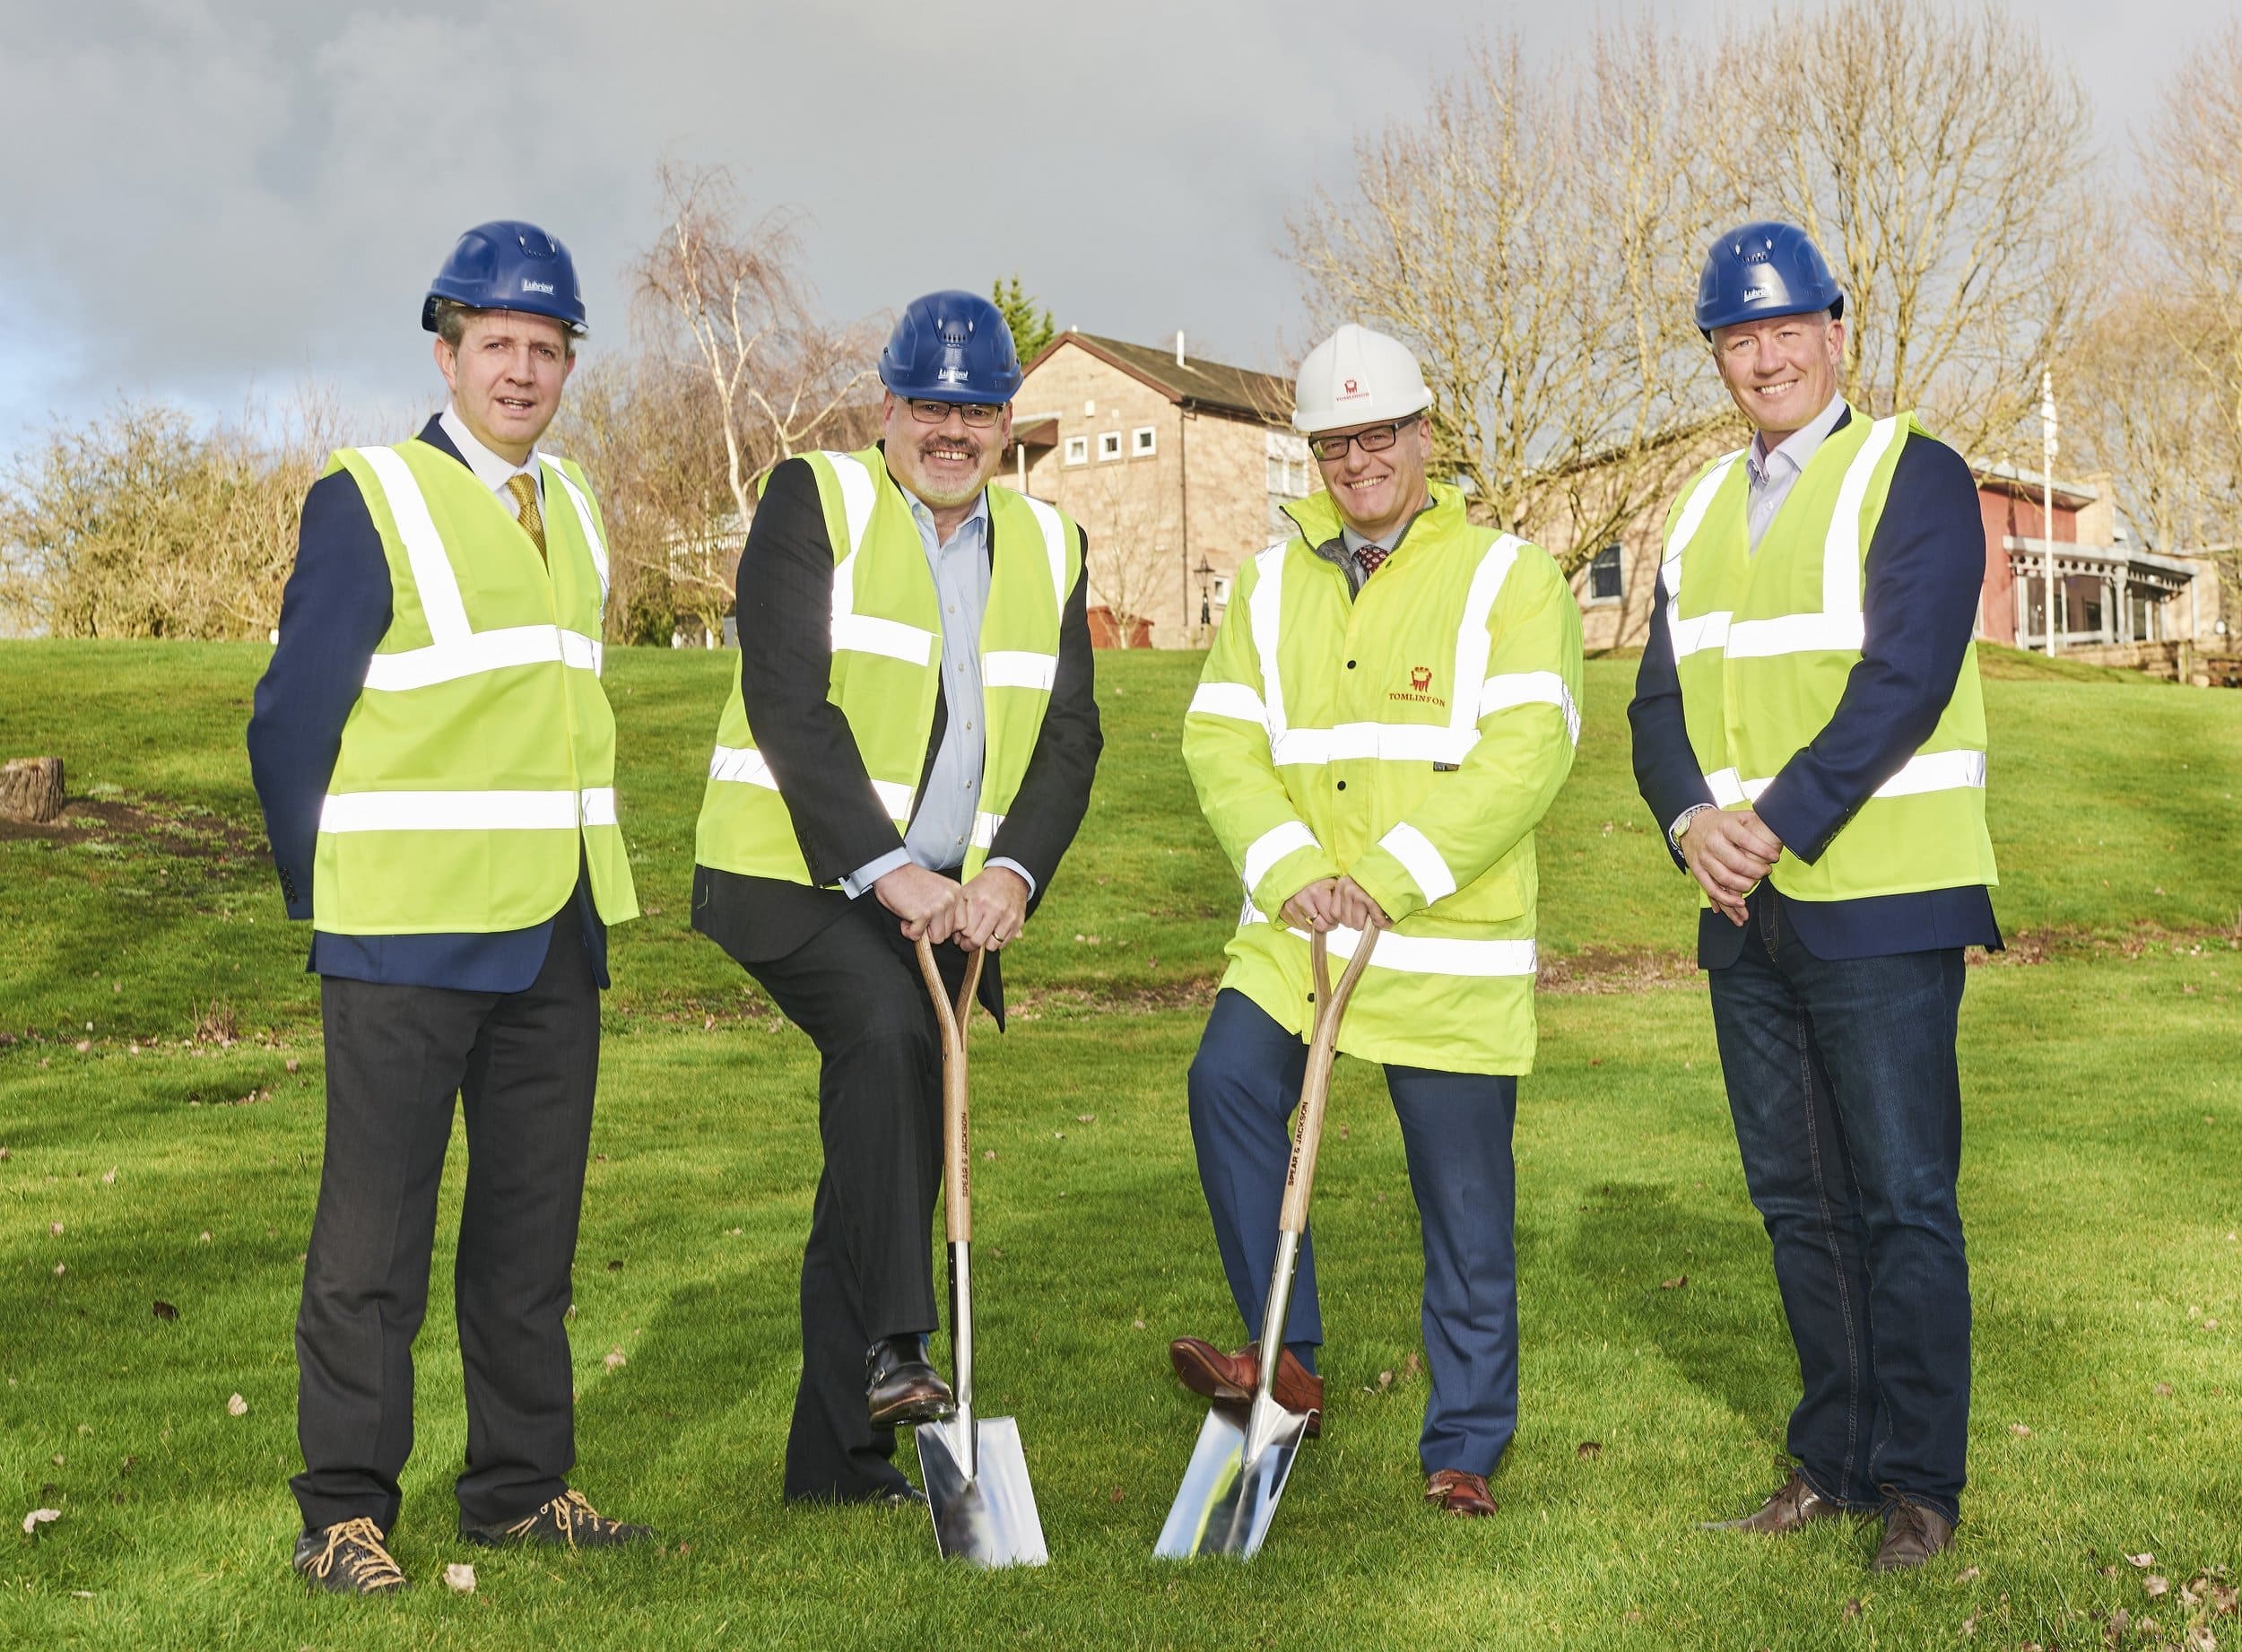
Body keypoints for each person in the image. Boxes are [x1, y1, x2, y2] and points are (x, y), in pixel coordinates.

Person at [248, 222, 648, 1594]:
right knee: (373, 1242)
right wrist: (331, 888)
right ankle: (342, 1514)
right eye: (497, 345)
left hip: (551, 934)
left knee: (529, 1238)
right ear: (448, 353)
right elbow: (290, 722)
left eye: (545, 348)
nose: (521, 370)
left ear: (567, 363)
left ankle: (520, 1491)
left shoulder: (575, 508)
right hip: (403, 936)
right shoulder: (371, 496)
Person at [1628, 222, 2001, 1572]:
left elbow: (1905, 679)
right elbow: (1657, 708)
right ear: (1717, 356)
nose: (1767, 357)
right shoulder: (1694, 514)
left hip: (1882, 901)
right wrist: (1694, 827)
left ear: (1835, 333)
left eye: (1789, 328)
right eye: (1741, 337)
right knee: (1799, 1204)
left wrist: (1771, 825)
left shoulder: (1912, 473)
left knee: (1903, 1198)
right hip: (1747, 916)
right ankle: (1833, 1463)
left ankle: (1920, 1487)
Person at [690, 290, 1102, 1506]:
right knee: (884, 1032)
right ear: (887, 405)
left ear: (1007, 421)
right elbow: (787, 702)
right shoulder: (815, 501)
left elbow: (1069, 736)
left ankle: (835, 1463)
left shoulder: (1051, 545)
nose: (951, 430)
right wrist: (892, 869)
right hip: (791, 871)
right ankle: (898, 1344)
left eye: (977, 411)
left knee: (881, 1142)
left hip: (948, 901)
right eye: (930, 404)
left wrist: (1011, 873)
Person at [1173, 323, 1583, 1517]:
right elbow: (1221, 741)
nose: (1358, 463)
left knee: (1463, 1204)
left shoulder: (1510, 579)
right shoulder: (1266, 587)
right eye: (1334, 444)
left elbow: (1528, 752)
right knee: (1225, 1082)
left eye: (1379, 436)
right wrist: (1290, 865)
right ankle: (1287, 1353)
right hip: (1299, 929)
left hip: (1440, 939)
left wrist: (1393, 874)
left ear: (1422, 435)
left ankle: (1465, 1442)